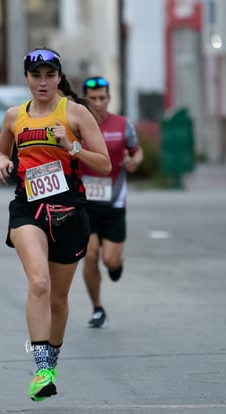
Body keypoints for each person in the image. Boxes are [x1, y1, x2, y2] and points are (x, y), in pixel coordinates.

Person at [0, 48, 111, 402]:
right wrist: (0, 162)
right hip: (28, 210)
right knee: (38, 282)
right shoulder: (14, 116)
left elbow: (103, 165)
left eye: (49, 75)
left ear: (58, 77)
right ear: (26, 78)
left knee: (58, 299)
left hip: (69, 211)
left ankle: (51, 361)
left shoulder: (75, 113)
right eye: (35, 75)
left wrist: (71, 146)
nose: (42, 82)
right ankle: (40, 370)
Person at [80, 76, 143, 328]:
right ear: (86, 99)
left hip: (114, 203)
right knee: (89, 255)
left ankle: (116, 262)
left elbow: (136, 149)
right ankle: (97, 308)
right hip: (85, 204)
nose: (98, 103)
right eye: (93, 99)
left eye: (102, 98)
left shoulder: (122, 124)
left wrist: (135, 161)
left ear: (109, 98)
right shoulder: (78, 124)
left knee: (110, 261)